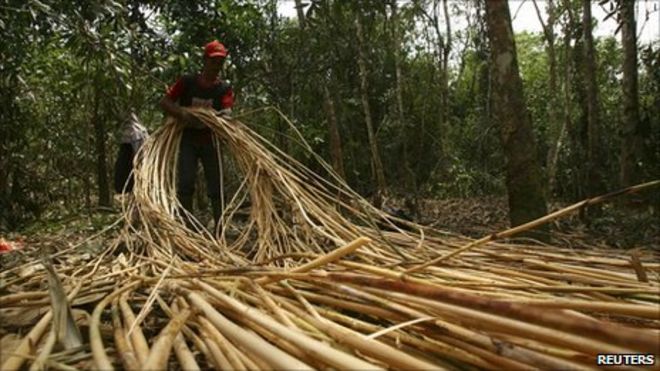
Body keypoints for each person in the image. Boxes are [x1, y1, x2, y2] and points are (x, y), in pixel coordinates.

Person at [160, 40, 234, 231]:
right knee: (185, 182)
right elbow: (166, 101)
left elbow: (227, 112)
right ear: (205, 60)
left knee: (216, 185)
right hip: (188, 140)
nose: (216, 66)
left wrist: (222, 119)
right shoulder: (188, 82)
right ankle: (188, 226)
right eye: (213, 61)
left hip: (211, 141)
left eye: (220, 62)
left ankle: (220, 227)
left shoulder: (223, 89)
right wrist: (183, 114)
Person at [114, 112, 148, 194]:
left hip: (134, 164)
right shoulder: (140, 131)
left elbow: (138, 149)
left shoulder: (137, 131)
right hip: (131, 165)